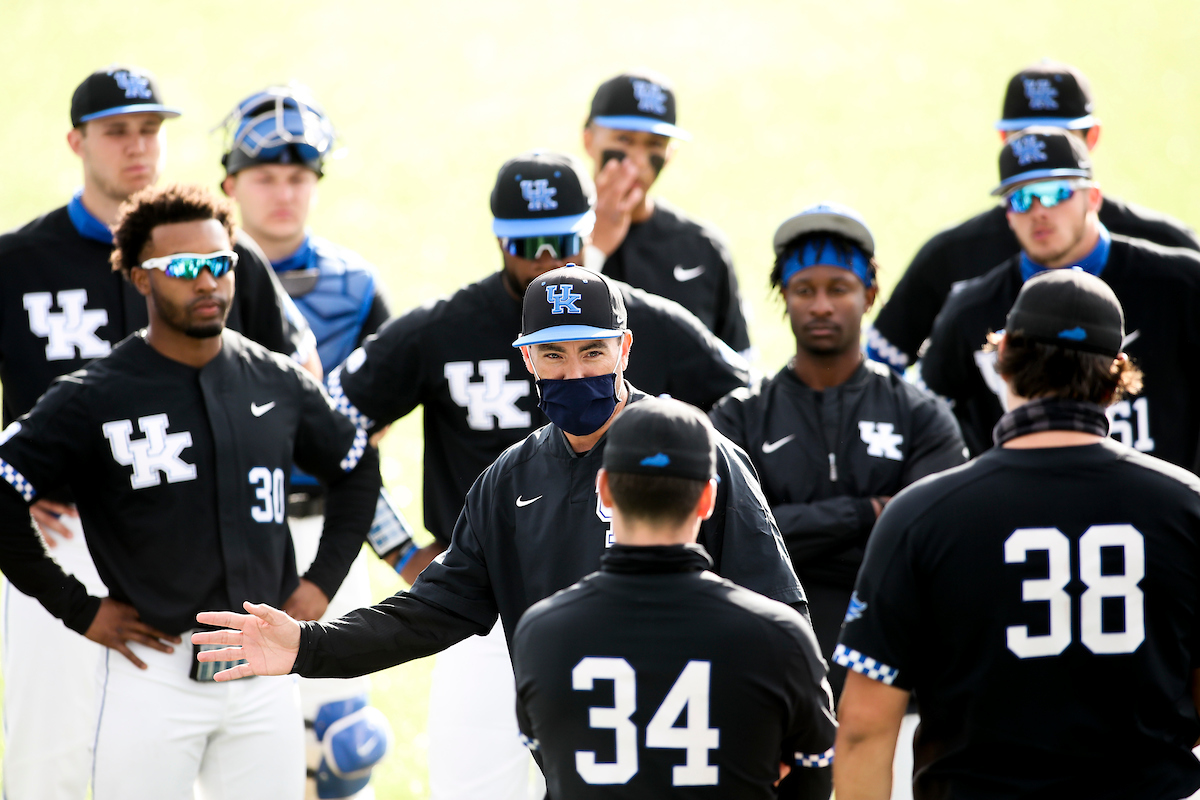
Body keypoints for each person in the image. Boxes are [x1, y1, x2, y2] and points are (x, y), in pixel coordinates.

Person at [192, 266, 803, 797]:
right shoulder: (510, 479)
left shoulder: (696, 456)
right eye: (554, 355)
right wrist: (308, 644)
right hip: (580, 762)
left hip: (693, 753)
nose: (574, 373)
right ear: (528, 357)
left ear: (625, 348)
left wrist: (785, 737)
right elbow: (433, 610)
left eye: (592, 352)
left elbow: (778, 608)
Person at [323, 150, 750, 797]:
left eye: (564, 240)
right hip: (479, 606)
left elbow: (755, 412)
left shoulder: (640, 322)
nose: (548, 258)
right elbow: (331, 431)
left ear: (589, 231)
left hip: (631, 595)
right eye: (529, 244)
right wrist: (401, 547)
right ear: (499, 238)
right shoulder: (444, 328)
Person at [0, 183, 380, 799]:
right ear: (141, 279)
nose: (207, 282)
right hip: (151, 676)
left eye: (218, 264)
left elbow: (357, 467)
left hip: (263, 675)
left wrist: (320, 584)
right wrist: (77, 606)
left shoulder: (277, 379)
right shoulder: (94, 394)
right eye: (182, 268)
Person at [834, 269, 1200, 800]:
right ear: (1116, 373)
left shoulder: (922, 515)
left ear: (1002, 356)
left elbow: (865, 725)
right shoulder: (1186, 506)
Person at [218, 84, 401, 800]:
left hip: (329, 520)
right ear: (230, 183)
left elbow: (381, 406)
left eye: (298, 178)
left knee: (347, 742)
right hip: (231, 526)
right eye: (265, 177)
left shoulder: (356, 284)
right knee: (236, 728)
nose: (283, 194)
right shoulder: (195, 276)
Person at [512, 397, 836, 800]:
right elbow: (812, 778)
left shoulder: (542, 632)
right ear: (708, 497)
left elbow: (552, 759)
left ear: (605, 490)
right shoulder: (778, 634)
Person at [710, 203, 965, 699]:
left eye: (839, 289)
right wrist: (868, 511)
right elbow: (728, 542)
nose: (821, 305)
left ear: (869, 295)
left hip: (900, 671)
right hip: (772, 670)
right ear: (783, 296)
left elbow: (929, 544)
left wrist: (789, 524)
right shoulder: (737, 417)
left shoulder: (922, 416)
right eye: (804, 290)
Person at [866, 59, 1199, 374]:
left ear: (1091, 138)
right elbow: (878, 373)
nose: (1041, 149)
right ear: (1003, 143)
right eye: (1025, 139)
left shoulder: (1171, 253)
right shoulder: (951, 258)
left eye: (1060, 137)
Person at [918, 128, 1200, 467]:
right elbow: (924, 418)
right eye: (1020, 199)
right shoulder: (970, 310)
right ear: (1007, 214)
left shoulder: (1182, 284)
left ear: (1093, 197)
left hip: (1163, 513)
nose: (1038, 211)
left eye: (1054, 192)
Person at [580, 71, 751, 356]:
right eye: (624, 139)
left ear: (670, 154)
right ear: (589, 140)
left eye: (654, 144)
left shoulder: (702, 248)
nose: (637, 160)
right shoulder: (552, 233)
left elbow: (740, 365)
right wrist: (595, 247)